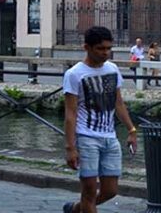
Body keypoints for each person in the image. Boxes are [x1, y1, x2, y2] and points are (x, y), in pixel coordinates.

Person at [63, 26, 137, 213]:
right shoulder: (74, 74)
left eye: (108, 48)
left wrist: (131, 130)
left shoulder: (112, 69)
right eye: (101, 49)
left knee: (110, 191)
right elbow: (70, 114)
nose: (106, 53)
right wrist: (71, 148)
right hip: (86, 137)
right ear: (86, 47)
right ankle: (82, 207)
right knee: (89, 191)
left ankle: (75, 209)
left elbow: (118, 103)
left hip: (109, 137)